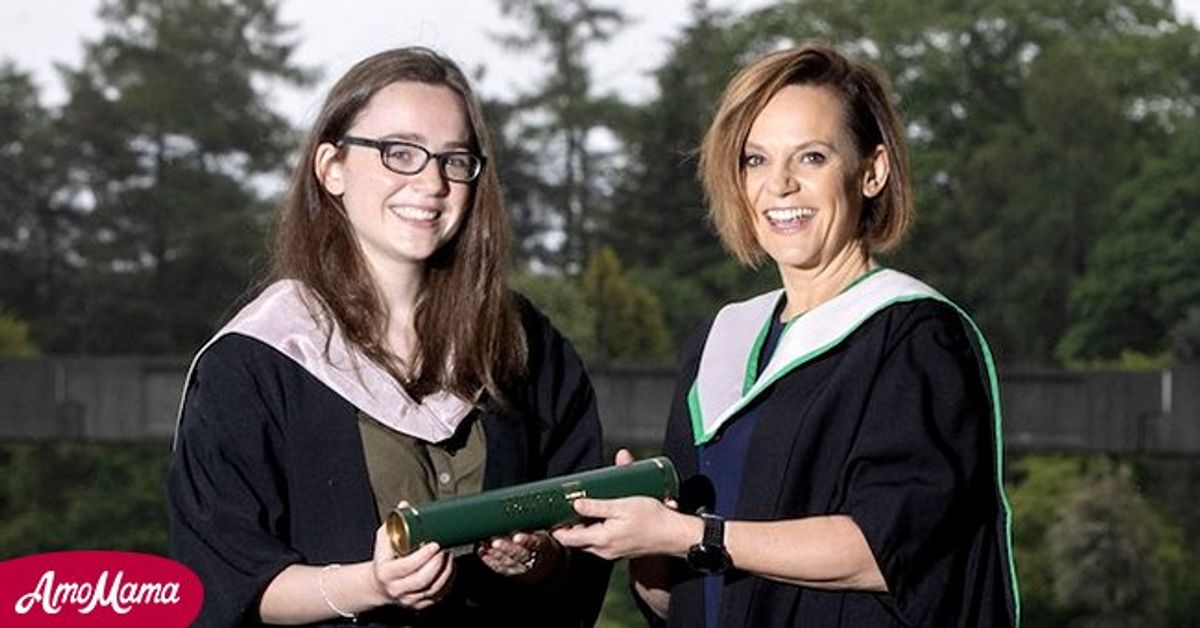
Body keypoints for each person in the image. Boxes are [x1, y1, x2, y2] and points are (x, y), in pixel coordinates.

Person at [553, 43, 1020, 627]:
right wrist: (648, 545)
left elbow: (890, 552)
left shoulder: (915, 338)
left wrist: (692, 533)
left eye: (812, 158)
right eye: (755, 160)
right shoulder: (720, 345)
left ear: (871, 172)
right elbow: (680, 598)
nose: (780, 185)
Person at [167, 47, 611, 627]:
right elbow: (224, 578)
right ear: (332, 168)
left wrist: (536, 559)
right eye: (399, 153)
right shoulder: (257, 360)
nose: (431, 181)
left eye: (454, 160)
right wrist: (370, 584)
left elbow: (576, 555)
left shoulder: (522, 345)